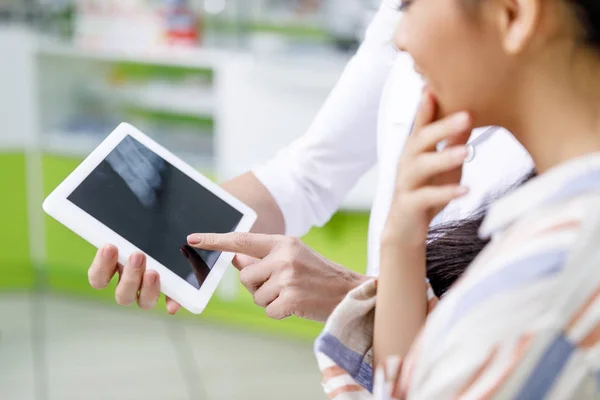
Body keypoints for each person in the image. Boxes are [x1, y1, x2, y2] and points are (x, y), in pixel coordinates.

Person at [87, 0, 533, 319]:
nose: (397, 38)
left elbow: (502, 344)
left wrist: (351, 295)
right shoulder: (404, 29)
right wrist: (178, 232)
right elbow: (306, 174)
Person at [310, 0, 600, 398]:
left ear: (514, 14)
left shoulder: (547, 282)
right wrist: (401, 239)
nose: (399, 38)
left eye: (407, 4)